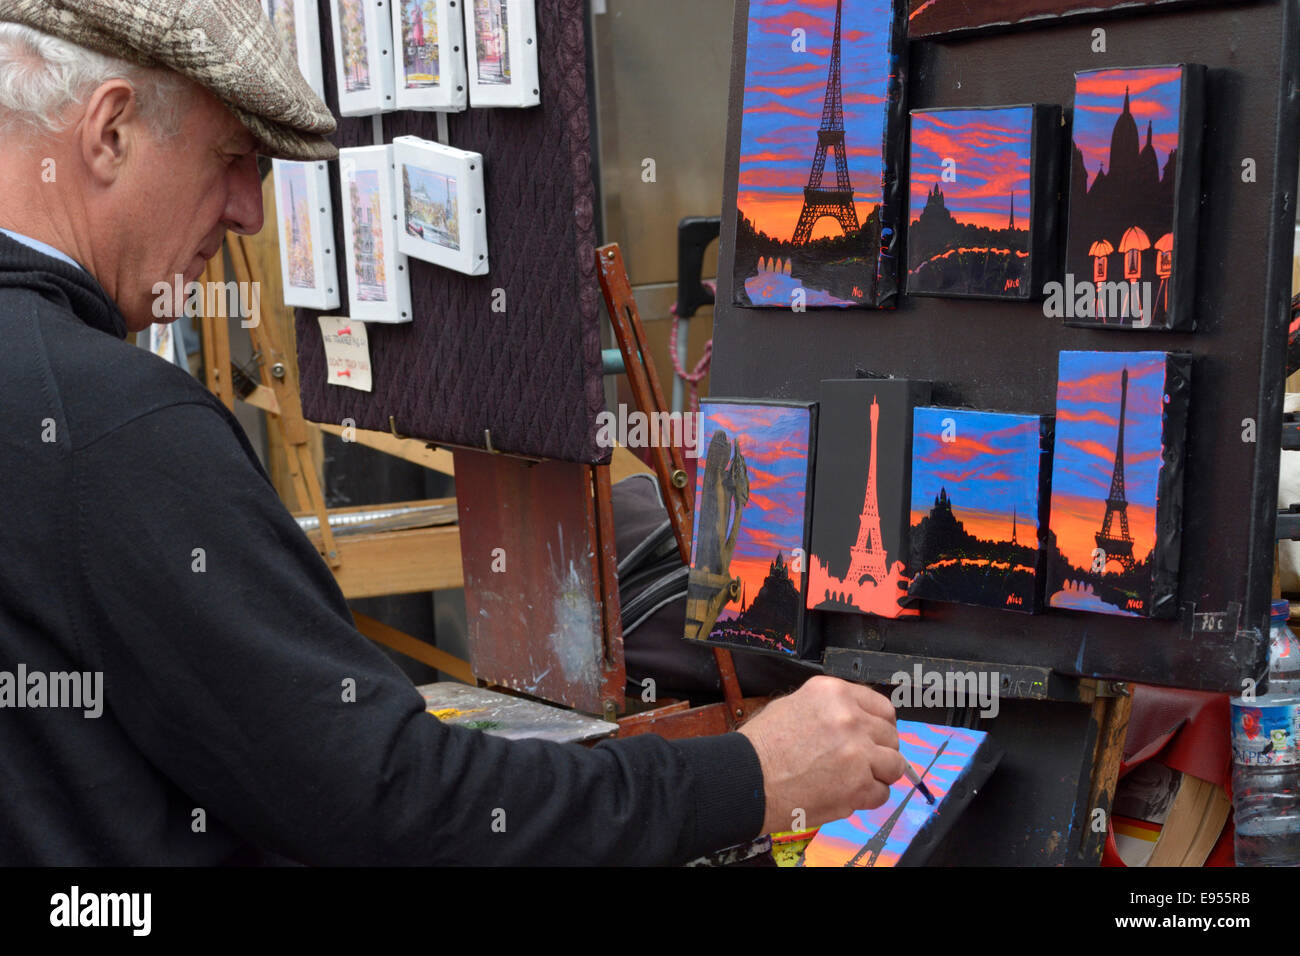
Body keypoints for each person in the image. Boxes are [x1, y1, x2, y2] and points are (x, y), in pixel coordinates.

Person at [0, 1, 905, 865]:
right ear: (110, 130)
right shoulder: (114, 427)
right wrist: (751, 777)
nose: (249, 212)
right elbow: (387, 801)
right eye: (232, 158)